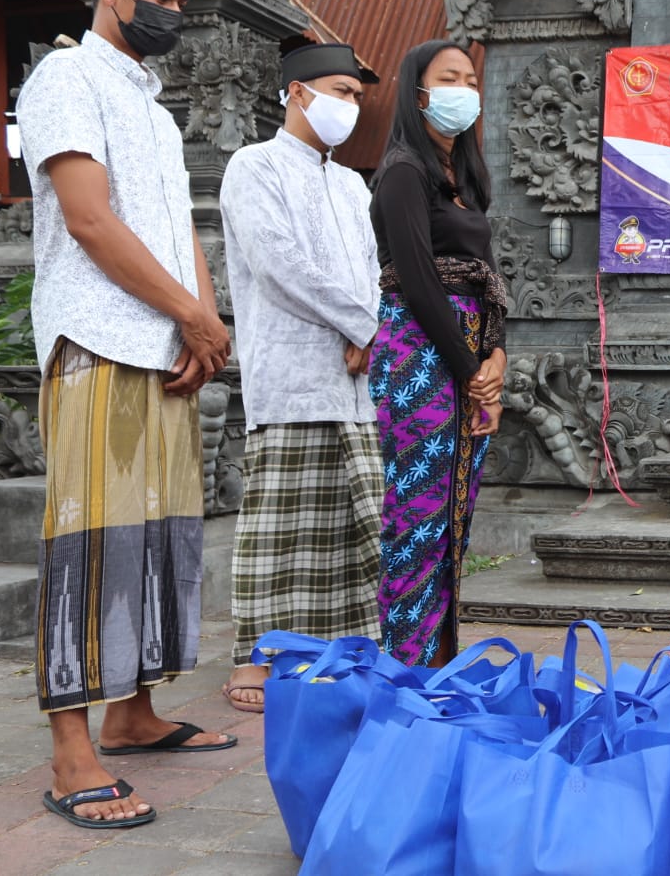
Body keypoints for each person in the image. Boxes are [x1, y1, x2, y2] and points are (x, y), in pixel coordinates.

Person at [17, 0, 238, 831]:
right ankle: (71, 754)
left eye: (182, 4)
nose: (172, 16)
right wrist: (188, 313)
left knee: (155, 539)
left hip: (162, 344)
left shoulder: (152, 108)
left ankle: (132, 714)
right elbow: (90, 222)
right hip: (97, 339)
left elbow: (175, 223)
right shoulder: (63, 78)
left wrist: (206, 314)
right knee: (87, 545)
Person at [217, 42, 385, 712]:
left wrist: (369, 325)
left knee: (352, 524)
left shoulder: (351, 182)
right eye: (340, 91)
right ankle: (258, 657)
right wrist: (358, 324)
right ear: (296, 92)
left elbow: (373, 270)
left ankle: (343, 645)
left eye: (356, 96)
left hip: (354, 377)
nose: (350, 105)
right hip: (289, 370)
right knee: (279, 529)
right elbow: (276, 265)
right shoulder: (253, 167)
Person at [368, 40, 506, 668]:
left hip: (469, 348)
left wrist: (496, 354)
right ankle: (406, 662)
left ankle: (443, 654)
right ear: (418, 92)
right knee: (419, 510)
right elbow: (419, 279)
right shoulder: (403, 169)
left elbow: (485, 270)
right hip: (419, 352)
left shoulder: (466, 175)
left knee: (455, 511)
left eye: (470, 78)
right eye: (448, 77)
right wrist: (470, 366)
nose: (463, 88)